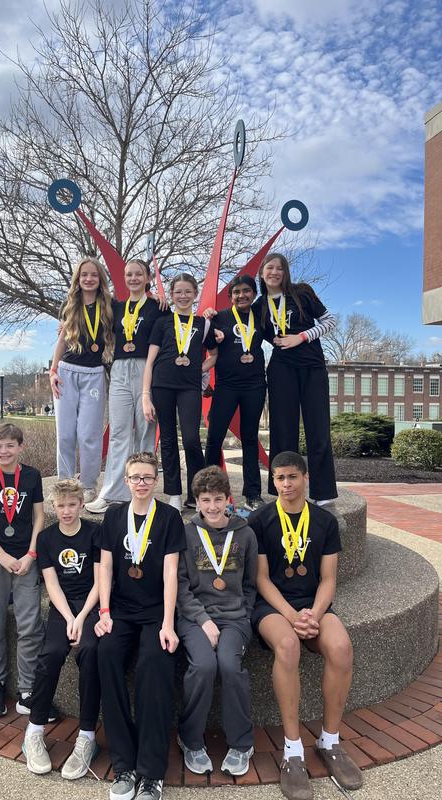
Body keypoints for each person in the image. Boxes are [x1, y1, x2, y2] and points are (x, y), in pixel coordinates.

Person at [249, 451, 362, 800]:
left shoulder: (325, 521)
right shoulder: (260, 519)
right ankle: (293, 750)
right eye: (279, 478)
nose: (286, 484)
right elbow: (261, 579)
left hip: (313, 605)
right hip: (272, 606)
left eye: (292, 477)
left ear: (306, 478)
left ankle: (330, 741)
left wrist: (312, 613)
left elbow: (328, 579)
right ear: (273, 482)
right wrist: (291, 616)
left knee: (341, 647)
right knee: (287, 645)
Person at [96, 452, 185, 800]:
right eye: (135, 477)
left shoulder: (170, 517)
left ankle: (150, 772)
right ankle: (124, 764)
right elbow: (105, 567)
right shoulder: (114, 515)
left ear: (156, 480)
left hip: (155, 611)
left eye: (148, 477)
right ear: (126, 480)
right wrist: (104, 612)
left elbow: (170, 572)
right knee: (106, 654)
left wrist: (168, 624)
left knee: (155, 662)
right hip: (120, 609)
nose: (142, 483)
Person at [177, 465, 257, 776]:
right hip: (194, 618)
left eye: (218, 499)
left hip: (234, 619)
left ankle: (241, 742)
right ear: (197, 501)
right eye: (206, 500)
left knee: (229, 665)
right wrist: (202, 620)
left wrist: (244, 614)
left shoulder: (245, 534)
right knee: (203, 666)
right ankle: (191, 739)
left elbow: (250, 584)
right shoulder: (187, 534)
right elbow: (181, 585)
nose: (212, 507)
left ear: (228, 499)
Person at [22, 479, 101, 780]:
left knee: (91, 651)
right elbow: (51, 584)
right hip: (62, 607)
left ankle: (87, 736)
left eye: (72, 505)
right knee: (52, 652)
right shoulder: (46, 538)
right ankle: (34, 729)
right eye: (61, 506)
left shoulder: (95, 532)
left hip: (90, 605)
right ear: (53, 507)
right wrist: (69, 617)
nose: (66, 511)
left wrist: (81, 618)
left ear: (81, 504)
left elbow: (100, 581)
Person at [0, 422, 45, 717]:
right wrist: (1, 556)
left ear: (20, 447)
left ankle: (27, 688)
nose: (4, 451)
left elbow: (39, 517)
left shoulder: (32, 476)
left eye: (10, 445)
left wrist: (31, 554)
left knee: (30, 626)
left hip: (26, 560)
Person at [86, 259, 168, 514]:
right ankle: (111, 493)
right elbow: (89, 314)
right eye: (129, 274)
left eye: (138, 274)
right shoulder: (116, 307)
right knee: (119, 432)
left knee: (145, 433)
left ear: (147, 278)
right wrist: (64, 326)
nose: (133, 278)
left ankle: (142, 493)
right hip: (120, 368)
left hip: (147, 369)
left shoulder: (158, 307)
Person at [253, 253, 337, 504]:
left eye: (279, 268)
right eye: (270, 268)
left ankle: (323, 493)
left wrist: (301, 337)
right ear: (262, 272)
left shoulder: (302, 293)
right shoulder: (259, 305)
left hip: (312, 367)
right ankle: (283, 489)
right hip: (281, 369)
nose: (274, 272)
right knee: (282, 432)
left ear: (285, 272)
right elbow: (241, 325)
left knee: (318, 429)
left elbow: (330, 321)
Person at [142, 273, 218, 511]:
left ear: (195, 293)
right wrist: (145, 395)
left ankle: (196, 493)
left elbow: (214, 355)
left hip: (189, 387)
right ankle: (174, 493)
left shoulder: (204, 324)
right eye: (178, 292)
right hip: (162, 384)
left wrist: (199, 369)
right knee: (168, 439)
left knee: (192, 439)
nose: (183, 296)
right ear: (172, 295)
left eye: (187, 291)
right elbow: (150, 361)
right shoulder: (163, 322)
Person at [50, 257, 114, 504]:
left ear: (100, 279)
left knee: (89, 435)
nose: (89, 279)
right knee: (65, 434)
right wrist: (53, 371)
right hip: (66, 372)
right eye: (84, 274)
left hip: (94, 374)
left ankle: (88, 485)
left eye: (94, 275)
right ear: (77, 279)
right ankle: (65, 483)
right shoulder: (69, 304)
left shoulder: (109, 305)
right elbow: (62, 339)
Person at [204, 275, 267, 511]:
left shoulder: (261, 317)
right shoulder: (218, 317)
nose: (242, 295)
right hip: (226, 386)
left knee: (250, 437)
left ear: (254, 294)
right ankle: (209, 492)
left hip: (255, 385)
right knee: (215, 437)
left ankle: (253, 494)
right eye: (236, 292)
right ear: (230, 296)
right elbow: (201, 342)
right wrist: (206, 318)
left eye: (246, 291)